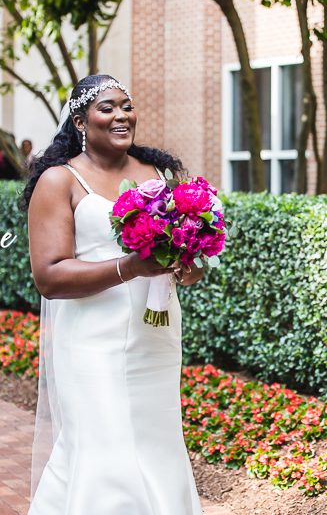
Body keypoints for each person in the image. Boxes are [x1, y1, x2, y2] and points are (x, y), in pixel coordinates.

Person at [22, 74, 203, 515]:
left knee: (156, 443)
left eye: (127, 105)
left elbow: (190, 267)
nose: (122, 115)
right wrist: (129, 267)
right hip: (90, 341)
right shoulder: (59, 181)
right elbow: (49, 275)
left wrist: (187, 263)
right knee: (103, 451)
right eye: (108, 107)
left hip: (154, 335)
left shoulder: (158, 175)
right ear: (81, 121)